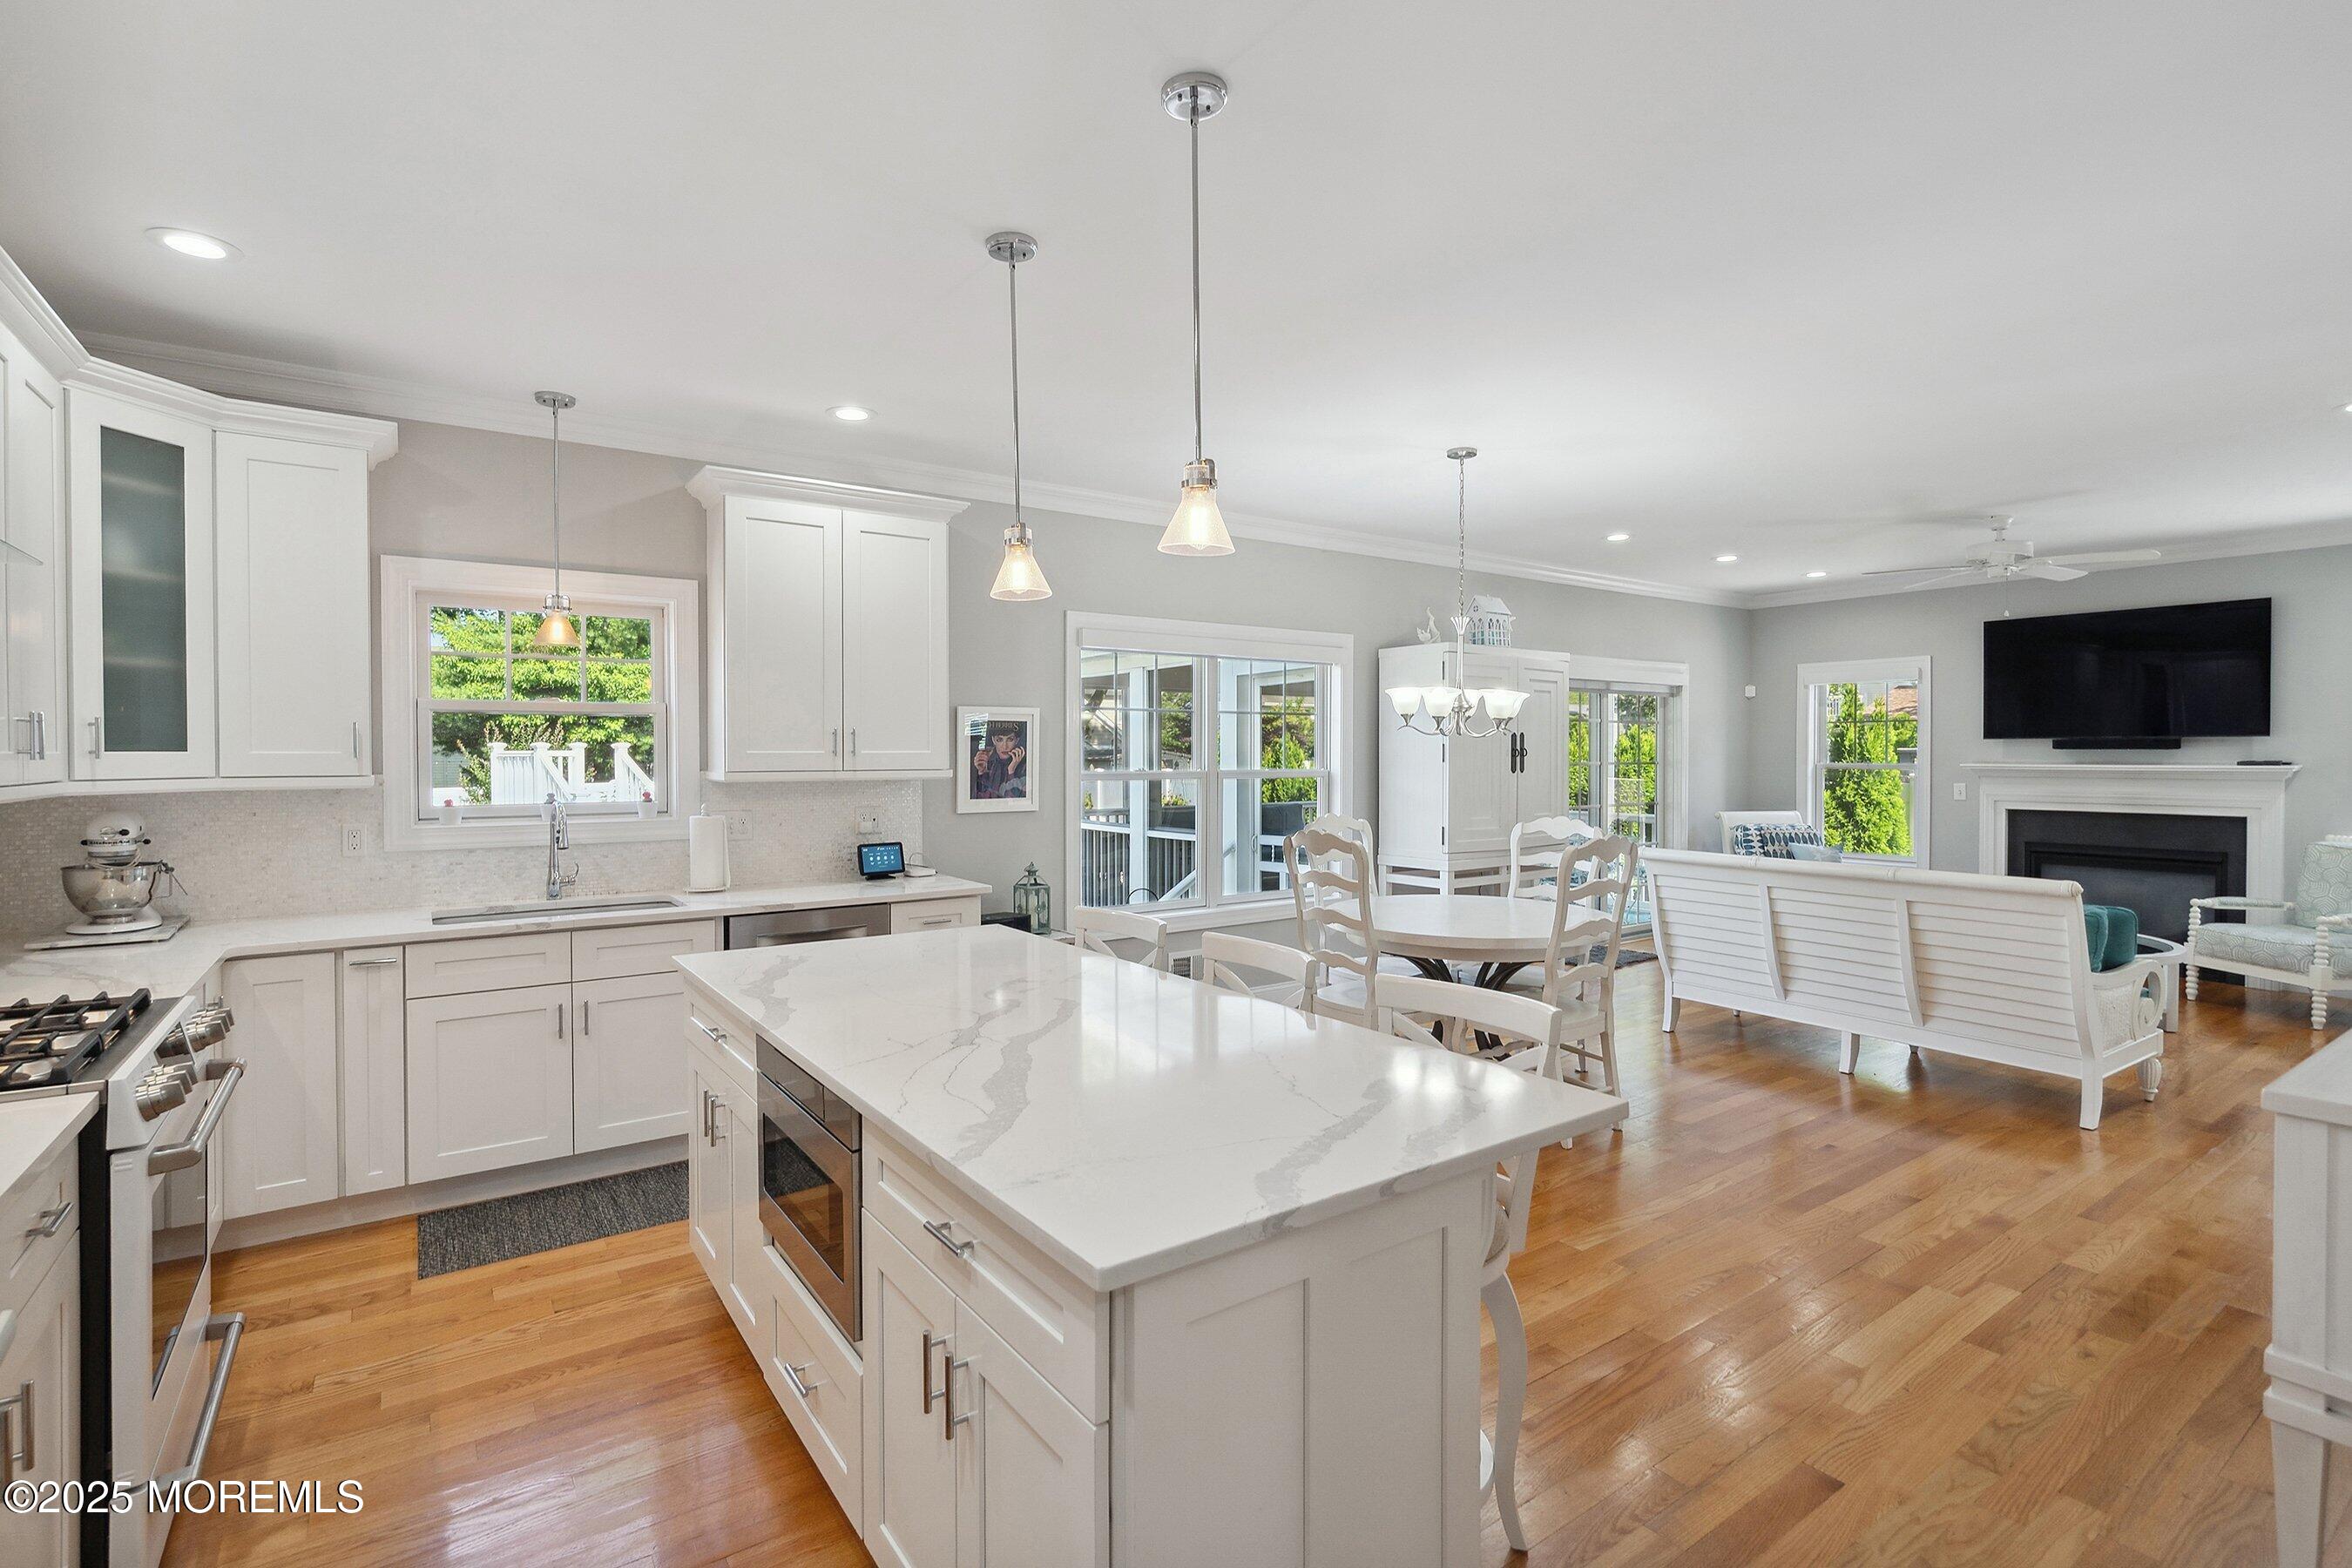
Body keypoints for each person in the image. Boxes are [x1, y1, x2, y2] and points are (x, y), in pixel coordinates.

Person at [971, 722, 1027, 799]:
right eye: (999, 740)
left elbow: (1014, 802)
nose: (1005, 746)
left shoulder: (1025, 766)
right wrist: (981, 772)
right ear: (993, 740)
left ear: (1016, 740)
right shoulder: (990, 764)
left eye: (1010, 739)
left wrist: (1011, 771)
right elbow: (978, 801)